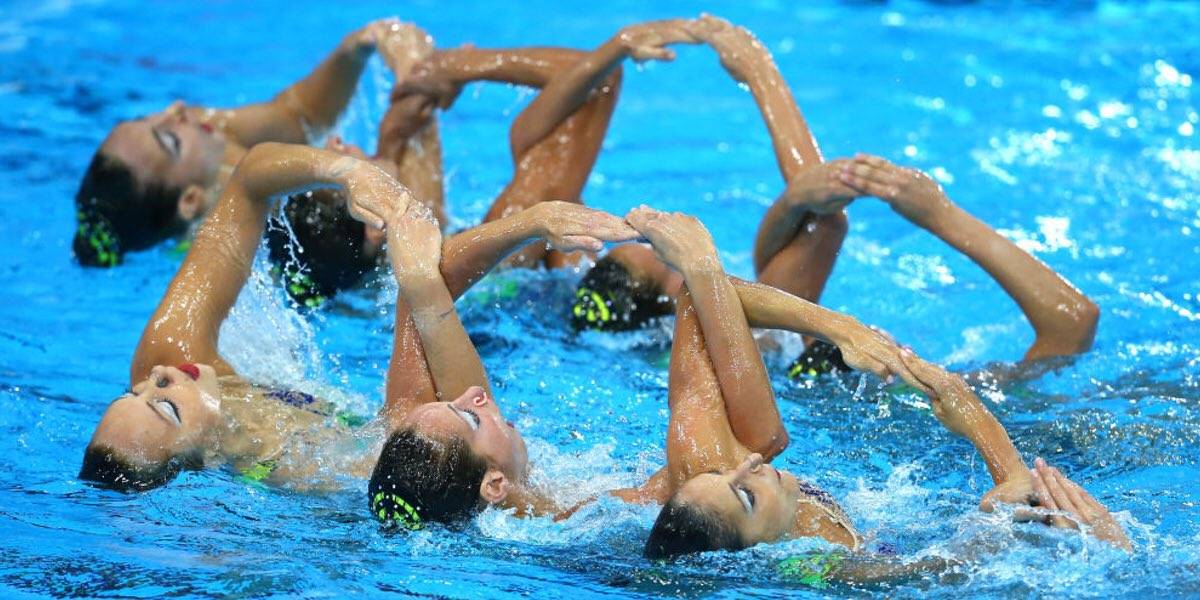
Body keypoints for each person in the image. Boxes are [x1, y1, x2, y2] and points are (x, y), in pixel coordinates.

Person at [77, 142, 633, 491]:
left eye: (137, 390)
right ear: (203, 457)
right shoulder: (312, 472)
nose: (163, 376)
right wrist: (525, 226)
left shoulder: (170, 355)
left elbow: (249, 180)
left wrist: (344, 170)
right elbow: (443, 433)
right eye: (167, 407)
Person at [569, 16, 1098, 377]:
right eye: (682, 270)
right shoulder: (760, 347)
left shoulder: (759, 358)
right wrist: (940, 215)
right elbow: (1072, 322)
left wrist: (761, 79)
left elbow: (818, 217)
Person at [268, 17, 707, 306]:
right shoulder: (492, 252)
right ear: (373, 223)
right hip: (609, 322)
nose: (337, 141)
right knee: (535, 154)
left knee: (535, 155)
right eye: (338, 164)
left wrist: (412, 100)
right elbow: (599, 82)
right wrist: (470, 66)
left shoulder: (403, 271)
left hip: (549, 307)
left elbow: (415, 90)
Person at [72, 18, 429, 267]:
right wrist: (418, 104)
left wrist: (357, 47)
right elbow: (393, 232)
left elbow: (299, 115)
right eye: (169, 138)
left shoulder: (207, 134)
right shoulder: (245, 241)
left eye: (147, 117)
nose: (176, 111)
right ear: (191, 200)